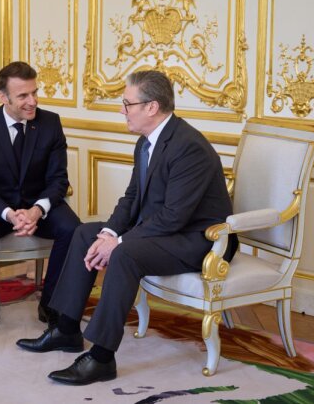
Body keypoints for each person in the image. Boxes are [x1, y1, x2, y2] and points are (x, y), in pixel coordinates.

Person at [16, 70, 237, 385]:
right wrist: (108, 233)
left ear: (151, 107)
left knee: (125, 254)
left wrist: (118, 243)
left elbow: (173, 217)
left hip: (199, 241)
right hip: (166, 231)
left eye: (126, 103)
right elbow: (132, 198)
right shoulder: (147, 141)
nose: (122, 110)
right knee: (84, 234)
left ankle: (102, 358)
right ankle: (66, 330)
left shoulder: (189, 148)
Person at [0, 61, 81, 334]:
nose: (33, 101)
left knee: (73, 229)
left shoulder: (50, 123)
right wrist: (9, 213)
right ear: (3, 97)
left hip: (39, 204)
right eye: (23, 96)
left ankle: (50, 302)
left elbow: (58, 180)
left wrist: (37, 211)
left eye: (34, 92)